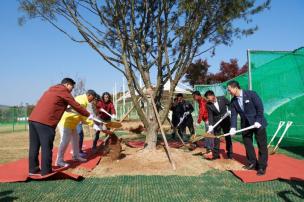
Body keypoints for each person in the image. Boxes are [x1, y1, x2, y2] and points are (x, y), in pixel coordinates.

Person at [28, 78, 91, 176]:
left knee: (34, 146)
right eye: (72, 87)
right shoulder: (63, 91)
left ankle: (33, 169)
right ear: (66, 84)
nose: (72, 90)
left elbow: (58, 105)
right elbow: (75, 105)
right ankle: (46, 171)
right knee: (46, 146)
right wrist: (88, 115)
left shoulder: (51, 90)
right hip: (46, 122)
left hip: (33, 119)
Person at [227, 80, 268, 176]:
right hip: (245, 125)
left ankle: (262, 166)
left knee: (261, 145)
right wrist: (232, 127)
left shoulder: (251, 94)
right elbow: (233, 115)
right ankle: (252, 163)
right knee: (247, 144)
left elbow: (260, 108)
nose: (228, 92)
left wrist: (258, 120)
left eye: (229, 90)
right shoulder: (233, 101)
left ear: (235, 88)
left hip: (258, 123)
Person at [55, 90, 97, 167]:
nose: (93, 100)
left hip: (73, 123)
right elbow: (82, 115)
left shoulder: (84, 100)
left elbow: (82, 115)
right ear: (89, 95)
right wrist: (93, 124)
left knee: (76, 139)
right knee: (65, 141)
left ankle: (76, 156)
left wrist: (92, 123)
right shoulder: (81, 101)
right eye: (93, 98)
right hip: (65, 122)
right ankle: (59, 160)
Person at [205, 90, 233, 160]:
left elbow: (230, 104)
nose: (208, 100)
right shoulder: (208, 104)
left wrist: (229, 110)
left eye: (208, 98)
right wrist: (211, 125)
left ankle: (230, 153)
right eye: (207, 99)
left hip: (226, 120)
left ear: (213, 95)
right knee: (216, 137)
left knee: (228, 136)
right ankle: (216, 154)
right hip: (216, 122)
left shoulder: (222, 98)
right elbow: (210, 115)